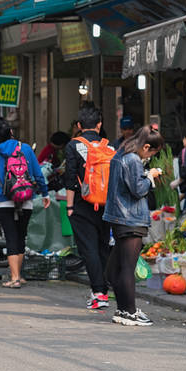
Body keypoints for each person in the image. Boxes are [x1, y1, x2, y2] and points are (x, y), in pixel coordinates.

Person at [101, 126, 164, 326]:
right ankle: (129, 312)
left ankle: (122, 310)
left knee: (118, 266)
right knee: (128, 267)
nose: (151, 156)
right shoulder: (133, 160)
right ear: (146, 146)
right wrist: (151, 175)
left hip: (117, 217)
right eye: (152, 152)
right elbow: (138, 189)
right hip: (132, 218)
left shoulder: (120, 154)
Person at [0, 119, 50, 288]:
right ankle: (19, 275)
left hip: (3, 200)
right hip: (26, 198)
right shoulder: (26, 149)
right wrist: (44, 193)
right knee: (21, 236)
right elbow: (37, 174)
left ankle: (14, 277)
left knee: (10, 237)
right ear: (11, 133)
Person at [65, 105, 113, 310]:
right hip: (106, 205)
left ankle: (99, 293)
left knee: (89, 249)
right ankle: (106, 288)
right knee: (103, 247)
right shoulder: (110, 147)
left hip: (82, 204)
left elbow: (70, 178)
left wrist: (69, 207)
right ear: (100, 125)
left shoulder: (73, 145)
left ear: (79, 125)